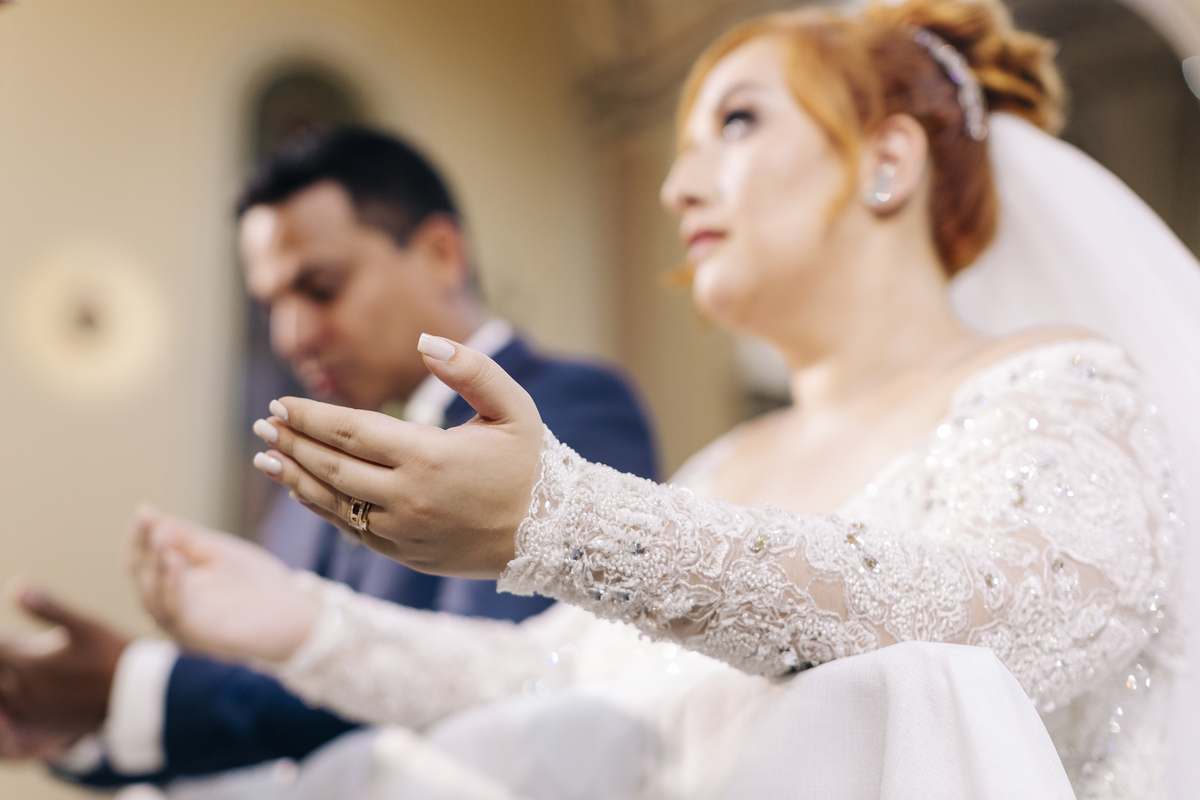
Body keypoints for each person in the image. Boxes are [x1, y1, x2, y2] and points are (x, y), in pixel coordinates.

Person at [132, 0, 1200, 797]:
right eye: (682, 148)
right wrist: (302, 622)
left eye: (737, 122)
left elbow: (1004, 624)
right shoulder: (729, 463)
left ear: (888, 159)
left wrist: (558, 519)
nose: (677, 185)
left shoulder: (1058, 379)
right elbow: (552, 685)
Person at [0, 128, 659, 788]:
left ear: (440, 253)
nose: (292, 336)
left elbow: (482, 682)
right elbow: (261, 690)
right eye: (272, 305)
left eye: (320, 288)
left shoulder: (570, 406)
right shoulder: (315, 465)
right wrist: (85, 722)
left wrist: (137, 689)